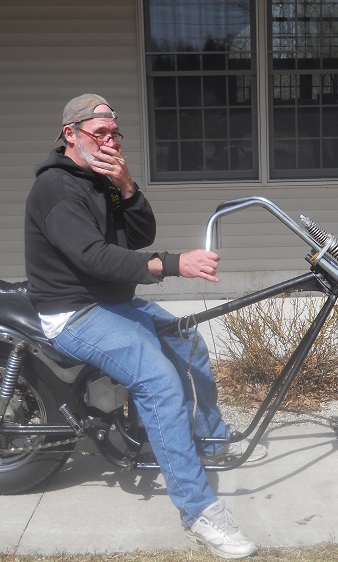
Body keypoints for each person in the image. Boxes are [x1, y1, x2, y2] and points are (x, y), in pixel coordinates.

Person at [24, 94, 263, 560]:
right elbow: (93, 257)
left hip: (110, 302)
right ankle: (198, 511)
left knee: (188, 341)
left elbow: (140, 236)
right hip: (73, 311)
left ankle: (209, 437)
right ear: (70, 134)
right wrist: (175, 264)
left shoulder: (103, 179)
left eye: (114, 133)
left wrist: (127, 186)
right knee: (159, 382)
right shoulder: (56, 188)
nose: (110, 141)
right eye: (99, 133)